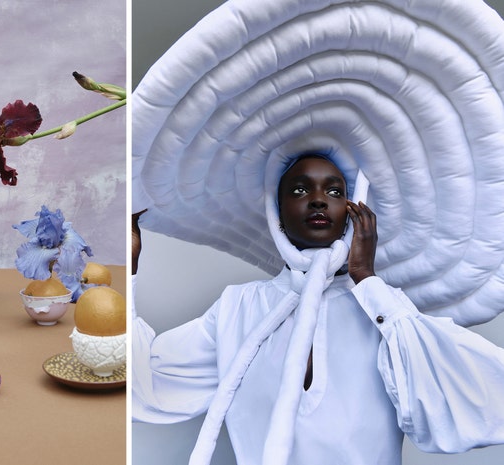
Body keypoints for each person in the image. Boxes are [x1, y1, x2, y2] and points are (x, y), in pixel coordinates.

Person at [132, 154, 504, 465]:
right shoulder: (238, 307)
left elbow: (463, 399)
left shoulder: (386, 310)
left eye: (335, 191)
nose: (318, 199)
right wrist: (130, 267)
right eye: (299, 189)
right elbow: (149, 382)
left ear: (354, 210)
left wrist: (366, 278)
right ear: (277, 212)